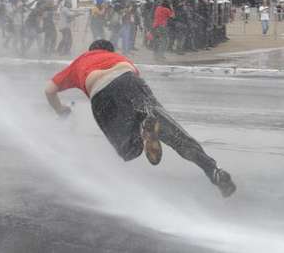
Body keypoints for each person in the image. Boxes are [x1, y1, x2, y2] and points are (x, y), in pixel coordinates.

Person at [43, 39, 236, 198]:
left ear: (90, 50)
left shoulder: (79, 62)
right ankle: (213, 171)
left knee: (128, 150)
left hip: (101, 93)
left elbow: (49, 90)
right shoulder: (117, 57)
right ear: (109, 50)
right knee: (176, 136)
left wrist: (61, 111)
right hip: (130, 80)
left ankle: (142, 132)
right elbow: (130, 81)